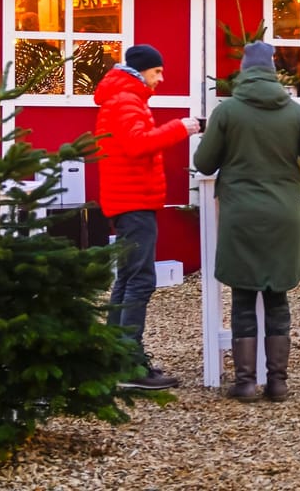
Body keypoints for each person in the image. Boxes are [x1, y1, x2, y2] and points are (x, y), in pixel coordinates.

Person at [193, 41, 300, 401]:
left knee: (242, 297)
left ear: (244, 70)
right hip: (283, 215)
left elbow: (205, 163)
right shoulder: (293, 111)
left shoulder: (229, 112)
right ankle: (278, 382)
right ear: (272, 70)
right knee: (277, 299)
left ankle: (244, 382)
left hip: (241, 215)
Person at [94, 43, 203, 391]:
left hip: (129, 200)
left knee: (127, 279)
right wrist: (184, 127)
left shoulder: (124, 99)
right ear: (141, 71)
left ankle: (114, 358)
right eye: (157, 72)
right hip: (133, 202)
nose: (161, 78)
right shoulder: (126, 101)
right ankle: (129, 364)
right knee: (139, 279)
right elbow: (138, 144)